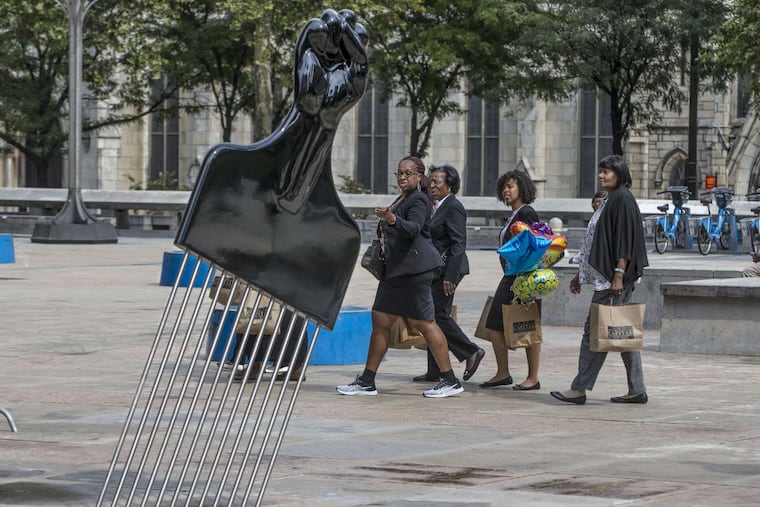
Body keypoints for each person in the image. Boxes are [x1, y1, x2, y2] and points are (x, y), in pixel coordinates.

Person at [337, 156, 464, 398]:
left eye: (408, 173)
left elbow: (414, 229)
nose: (403, 177)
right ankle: (367, 381)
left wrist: (392, 218)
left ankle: (450, 380)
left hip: (415, 272)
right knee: (381, 321)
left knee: (425, 323)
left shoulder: (418, 199)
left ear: (419, 176)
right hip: (396, 273)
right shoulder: (403, 198)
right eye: (399, 174)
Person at [550, 154, 649, 405]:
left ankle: (579, 388)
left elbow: (625, 239)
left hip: (614, 279)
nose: (601, 175)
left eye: (607, 171)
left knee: (594, 331)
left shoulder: (622, 199)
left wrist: (619, 273)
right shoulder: (610, 199)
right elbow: (596, 240)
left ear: (619, 173)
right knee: (619, 330)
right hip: (606, 276)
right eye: (600, 171)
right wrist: (580, 274)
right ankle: (637, 389)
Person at [412, 164, 485, 383]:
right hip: (435, 270)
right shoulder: (435, 206)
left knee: (437, 316)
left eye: (436, 182)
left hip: (448, 270)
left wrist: (450, 277)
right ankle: (434, 370)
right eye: (430, 181)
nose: (431, 185)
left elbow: (458, 243)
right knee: (430, 317)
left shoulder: (453, 206)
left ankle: (471, 351)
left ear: (450, 185)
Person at [480, 170, 542, 391]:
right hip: (511, 276)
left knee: (528, 325)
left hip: (523, 277)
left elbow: (531, 246)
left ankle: (532, 377)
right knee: (495, 323)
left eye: (511, 186)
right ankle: (503, 372)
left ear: (522, 189)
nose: (506, 191)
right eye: (504, 187)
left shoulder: (527, 213)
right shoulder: (516, 214)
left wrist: (523, 280)